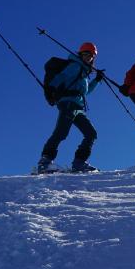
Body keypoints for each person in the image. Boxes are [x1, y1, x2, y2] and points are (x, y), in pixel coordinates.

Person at [37, 42, 102, 173]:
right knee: (61, 132)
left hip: (77, 107)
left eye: (91, 56)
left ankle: (79, 163)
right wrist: (50, 89)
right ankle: (45, 162)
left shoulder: (83, 72)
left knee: (91, 134)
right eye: (86, 54)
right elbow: (60, 77)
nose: (88, 57)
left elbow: (85, 93)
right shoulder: (75, 66)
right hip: (68, 104)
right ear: (80, 54)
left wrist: (97, 80)